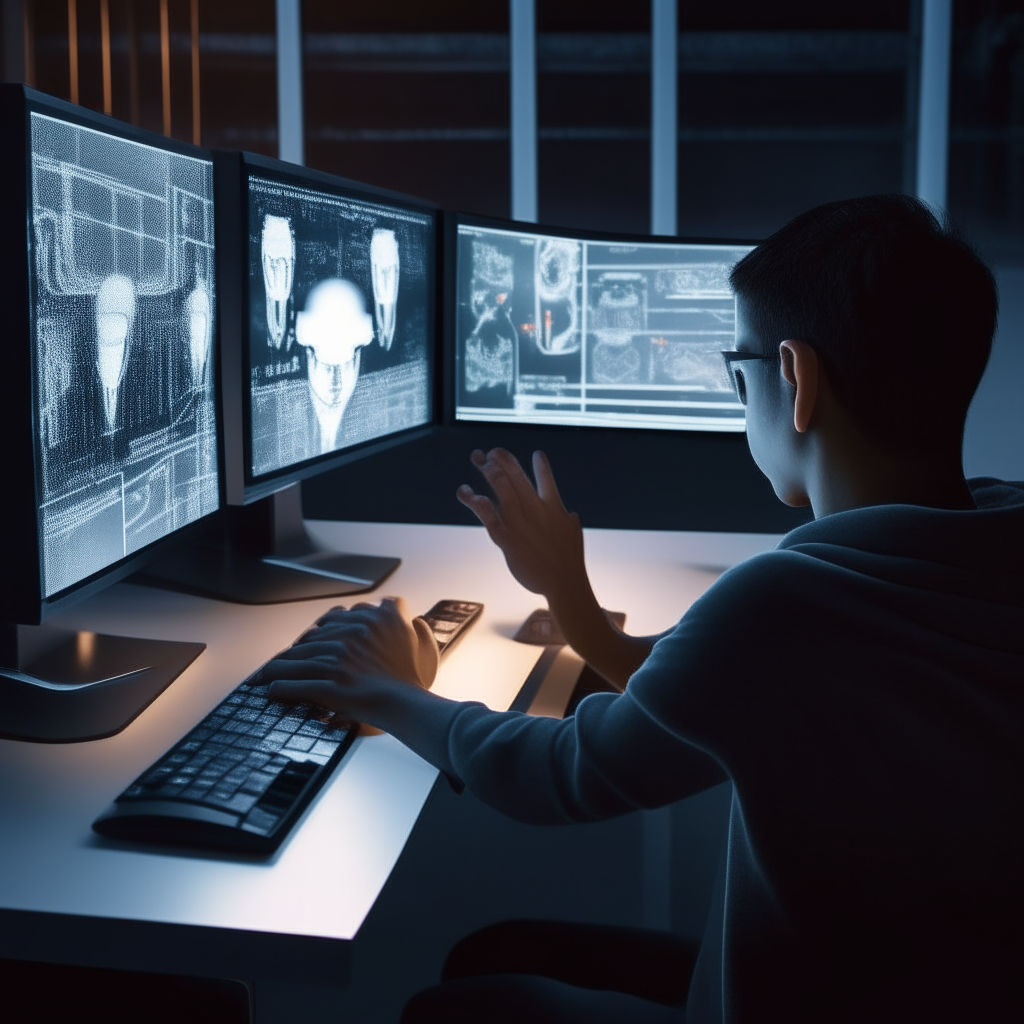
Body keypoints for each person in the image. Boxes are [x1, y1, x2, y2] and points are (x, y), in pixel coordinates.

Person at [264, 195, 1024, 1023]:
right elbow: (730, 692)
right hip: (906, 989)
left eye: (741, 374)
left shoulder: (788, 605)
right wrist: (573, 600)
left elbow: (559, 779)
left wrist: (394, 692)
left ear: (796, 380)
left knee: (454, 1004)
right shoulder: (992, 535)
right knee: (496, 956)